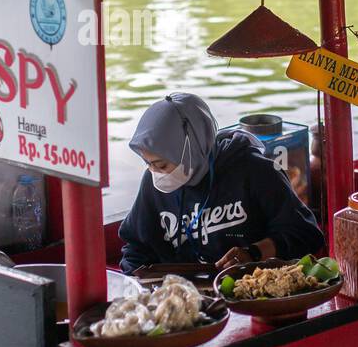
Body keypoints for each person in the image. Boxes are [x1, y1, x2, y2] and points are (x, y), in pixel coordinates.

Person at [118, 93, 323, 274]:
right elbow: (136, 248)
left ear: (191, 149)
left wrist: (254, 253)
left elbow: (305, 234)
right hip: (182, 296)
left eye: (161, 165)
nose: (156, 173)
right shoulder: (152, 184)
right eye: (148, 164)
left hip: (249, 290)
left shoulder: (254, 171)